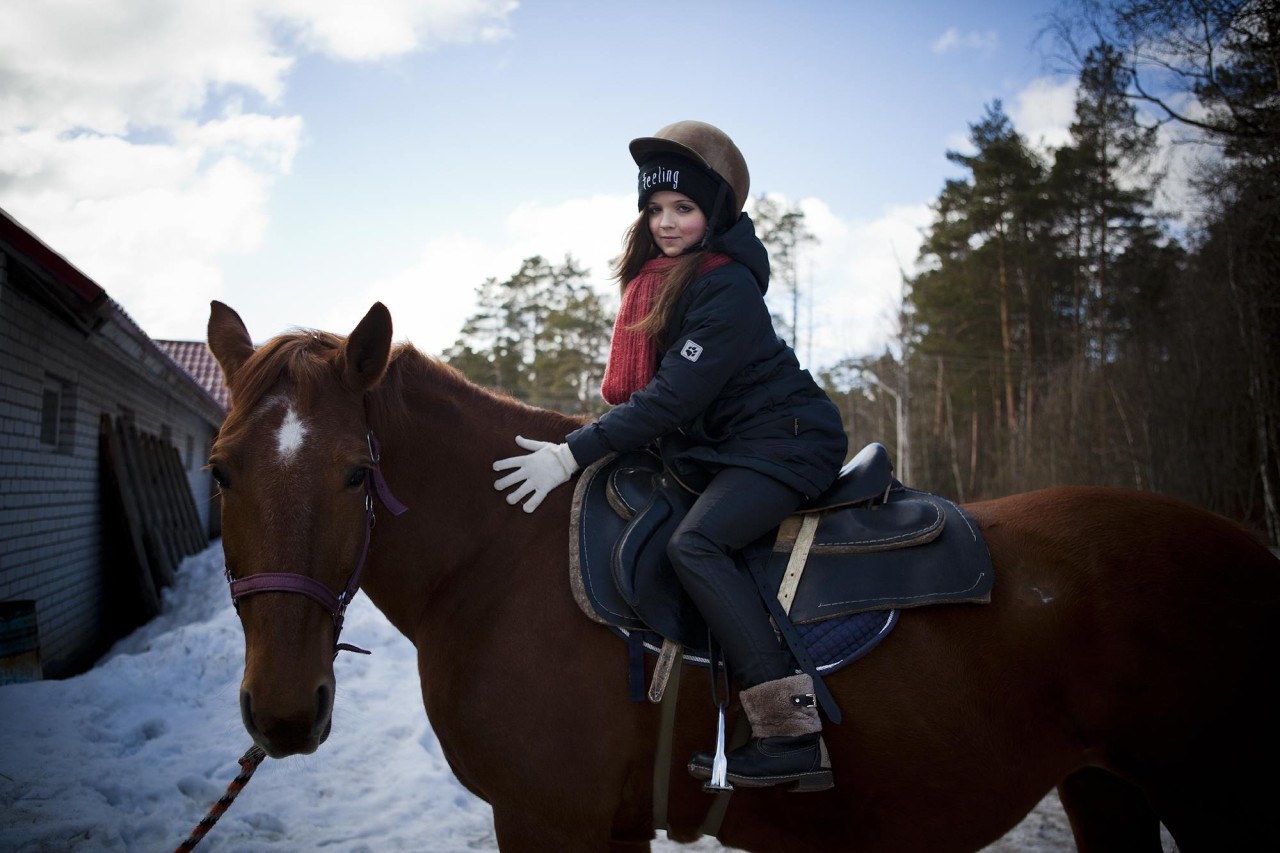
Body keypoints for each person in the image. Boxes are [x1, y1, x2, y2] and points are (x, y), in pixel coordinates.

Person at [493, 120, 848, 791]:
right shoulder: (660, 281)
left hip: (784, 440)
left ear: (713, 211)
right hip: (724, 447)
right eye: (654, 209)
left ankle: (789, 731)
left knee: (696, 544)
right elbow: (656, 403)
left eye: (683, 207)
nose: (666, 222)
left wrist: (570, 455)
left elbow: (668, 401)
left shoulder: (728, 287)